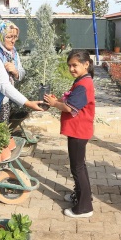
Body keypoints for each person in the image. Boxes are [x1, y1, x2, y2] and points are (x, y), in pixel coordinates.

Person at [43, 50, 96, 218]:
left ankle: (84, 207)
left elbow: (69, 107)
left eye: (75, 65)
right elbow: (70, 101)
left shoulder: (83, 84)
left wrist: (54, 103)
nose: (71, 69)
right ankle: (83, 196)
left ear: (86, 64)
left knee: (77, 168)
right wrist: (57, 100)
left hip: (78, 131)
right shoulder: (82, 80)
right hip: (79, 130)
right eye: (69, 66)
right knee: (80, 166)